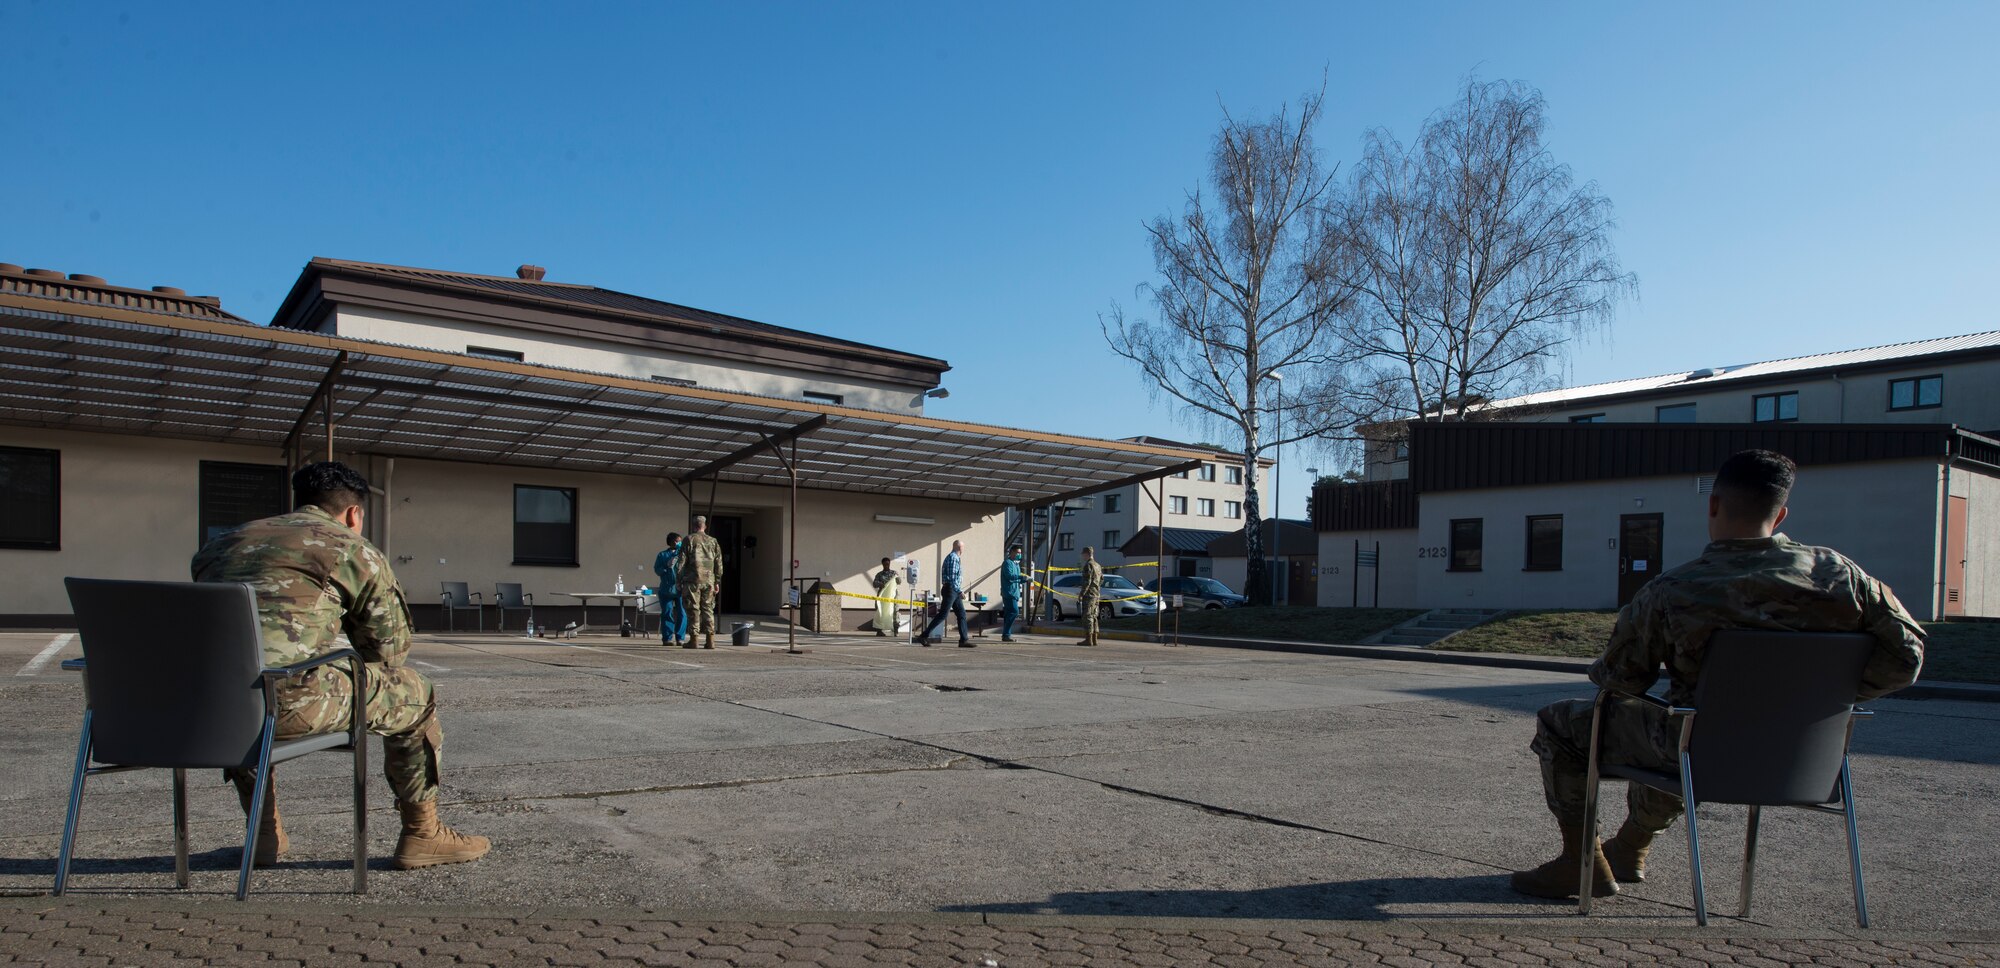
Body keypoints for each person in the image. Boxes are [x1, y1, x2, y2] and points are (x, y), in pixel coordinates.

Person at [1510, 449, 1926, 899]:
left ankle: (1581, 861)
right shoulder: (1843, 576)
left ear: (1713, 505)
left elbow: (1618, 681)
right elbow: (1907, 657)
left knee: (1574, 722)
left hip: (1699, 750)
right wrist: (1828, 695)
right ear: (1781, 514)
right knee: (1681, 725)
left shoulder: (1672, 589)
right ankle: (1629, 849)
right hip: (1803, 753)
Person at [191, 461, 490, 870]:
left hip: (208, 703)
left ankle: (263, 834)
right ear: (354, 514)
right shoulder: (350, 548)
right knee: (414, 692)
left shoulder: (219, 545)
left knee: (241, 681)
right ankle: (423, 834)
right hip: (292, 703)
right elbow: (389, 652)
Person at [917, 540, 972, 647]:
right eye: (962, 547)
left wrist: (958, 590)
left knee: (962, 614)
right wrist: (959, 591)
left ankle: (964, 640)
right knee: (943, 614)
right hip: (951, 590)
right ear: (959, 547)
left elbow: (954, 578)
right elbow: (952, 578)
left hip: (953, 590)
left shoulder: (953, 558)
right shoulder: (953, 558)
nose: (963, 549)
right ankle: (924, 636)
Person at [679, 515, 724, 649]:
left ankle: (694, 639)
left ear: (693, 526)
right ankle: (710, 640)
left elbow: (682, 561)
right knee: (708, 609)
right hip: (709, 581)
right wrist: (717, 581)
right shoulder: (713, 541)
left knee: (693, 609)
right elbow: (719, 563)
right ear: (705, 526)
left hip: (692, 580)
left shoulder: (689, 539)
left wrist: (678, 579)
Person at [652, 532, 688, 646]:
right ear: (672, 542)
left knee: (682, 613)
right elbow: (657, 570)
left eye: (680, 541)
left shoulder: (683, 554)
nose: (679, 543)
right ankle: (667, 638)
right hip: (666, 589)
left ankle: (680, 638)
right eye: (678, 541)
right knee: (667, 613)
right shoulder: (662, 555)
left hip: (681, 588)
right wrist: (666, 567)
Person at [999, 544, 1028, 642]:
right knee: (1014, 611)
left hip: (1014, 593)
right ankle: (1006, 633)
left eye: (1020, 553)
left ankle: (1006, 635)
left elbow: (1017, 578)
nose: (1019, 555)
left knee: (1008, 614)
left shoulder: (1016, 564)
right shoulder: (1007, 563)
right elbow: (1009, 576)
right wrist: (1021, 577)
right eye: (1018, 553)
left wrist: (1024, 580)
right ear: (1012, 552)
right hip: (1009, 593)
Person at [1078, 546, 1103, 646]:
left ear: (1087, 554)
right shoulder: (1098, 565)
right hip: (1096, 594)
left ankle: (1088, 639)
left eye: (1083, 554)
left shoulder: (1088, 565)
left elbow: (1086, 582)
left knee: (1088, 616)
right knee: (1094, 616)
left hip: (1089, 595)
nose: (1082, 556)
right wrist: (1096, 587)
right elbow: (1101, 579)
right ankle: (1095, 639)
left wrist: (1082, 594)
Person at [872, 556, 901, 637]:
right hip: (882, 596)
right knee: (880, 612)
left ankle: (895, 630)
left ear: (889, 564)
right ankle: (879, 630)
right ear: (882, 564)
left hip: (893, 596)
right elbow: (874, 584)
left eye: (887, 564)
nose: (886, 566)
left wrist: (897, 576)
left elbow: (899, 582)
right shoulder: (879, 574)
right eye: (885, 564)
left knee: (895, 612)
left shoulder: (893, 573)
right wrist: (880, 584)